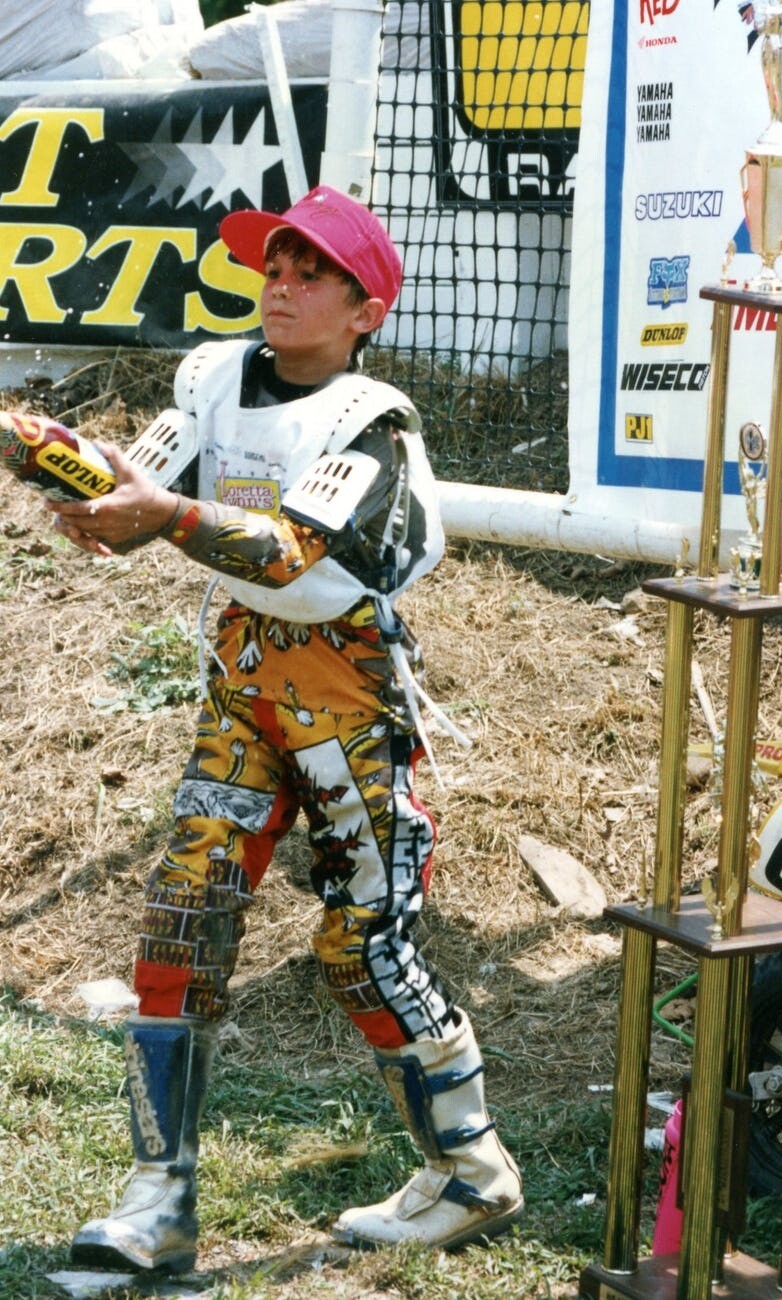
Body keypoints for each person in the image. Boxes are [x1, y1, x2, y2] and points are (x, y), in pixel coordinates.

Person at [52, 185, 523, 1273]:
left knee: (363, 948)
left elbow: (289, 556)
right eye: (274, 265)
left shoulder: (374, 419)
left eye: (312, 272)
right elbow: (138, 498)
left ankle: (471, 1169)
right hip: (244, 691)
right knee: (181, 921)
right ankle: (157, 1198)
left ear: (367, 309)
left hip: (349, 701)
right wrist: (57, 470)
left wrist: (157, 517)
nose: (281, 285)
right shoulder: (211, 373)